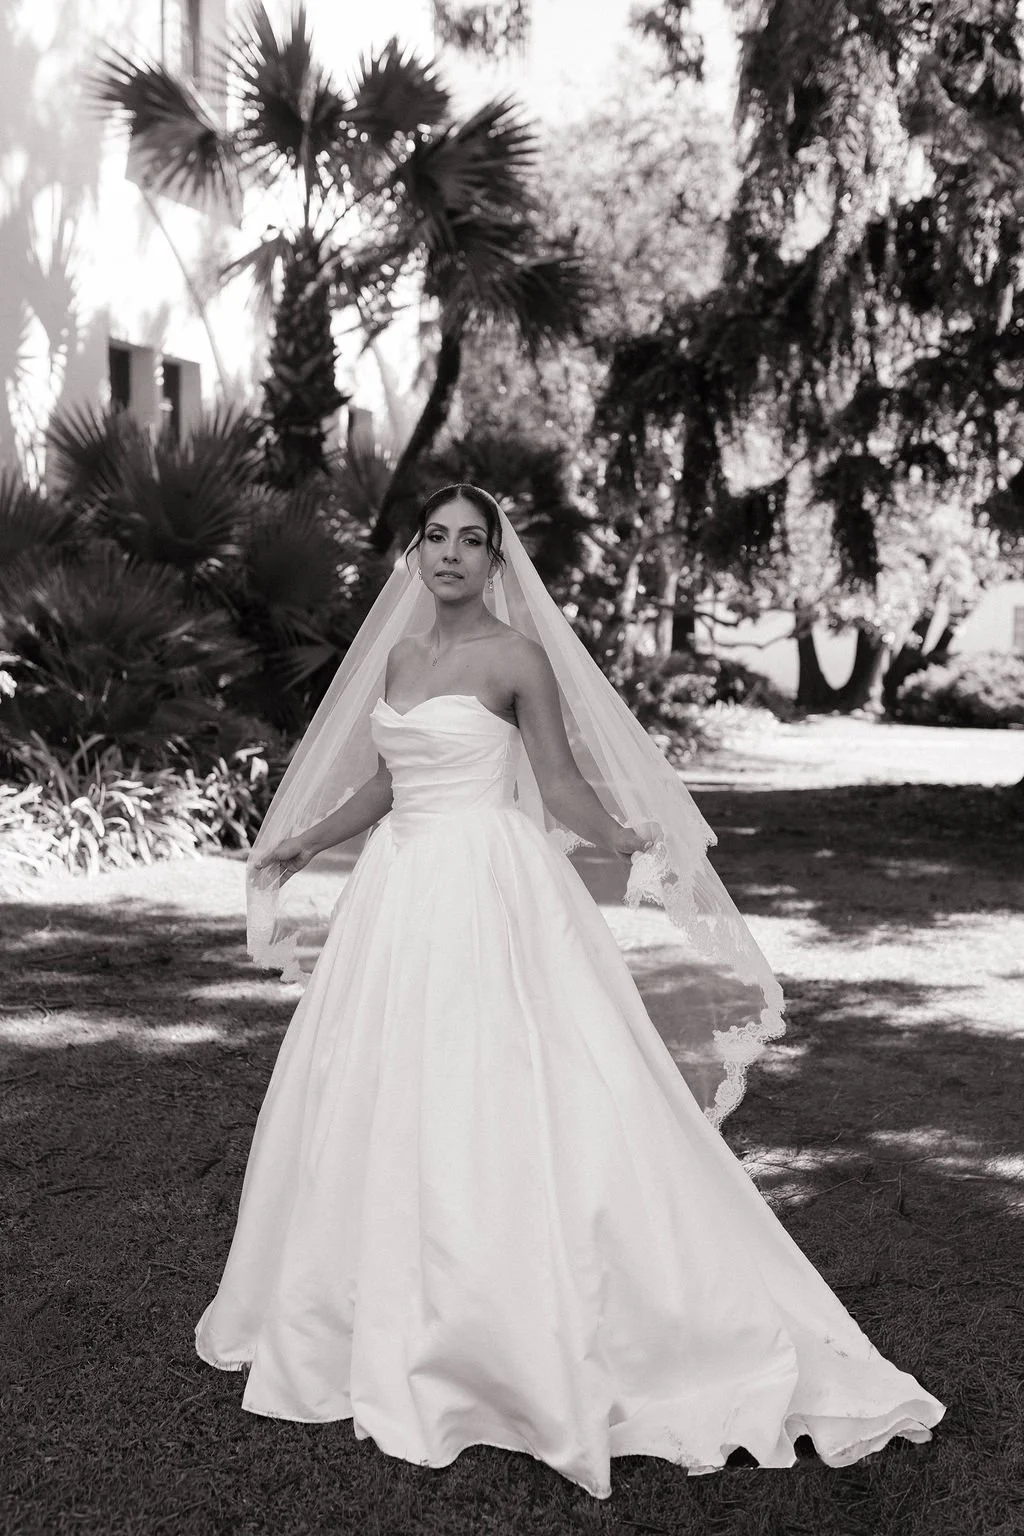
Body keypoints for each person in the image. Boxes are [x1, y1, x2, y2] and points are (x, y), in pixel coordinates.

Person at [194, 484, 943, 1500]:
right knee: (378, 1084)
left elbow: (557, 783)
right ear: (415, 554)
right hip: (399, 890)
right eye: (436, 539)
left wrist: (635, 837)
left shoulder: (516, 656)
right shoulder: (402, 656)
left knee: (509, 1083)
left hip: (488, 889)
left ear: (497, 561)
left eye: (472, 541)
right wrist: (302, 842)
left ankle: (522, 1310)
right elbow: (385, 780)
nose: (452, 555)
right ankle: (371, 1305)